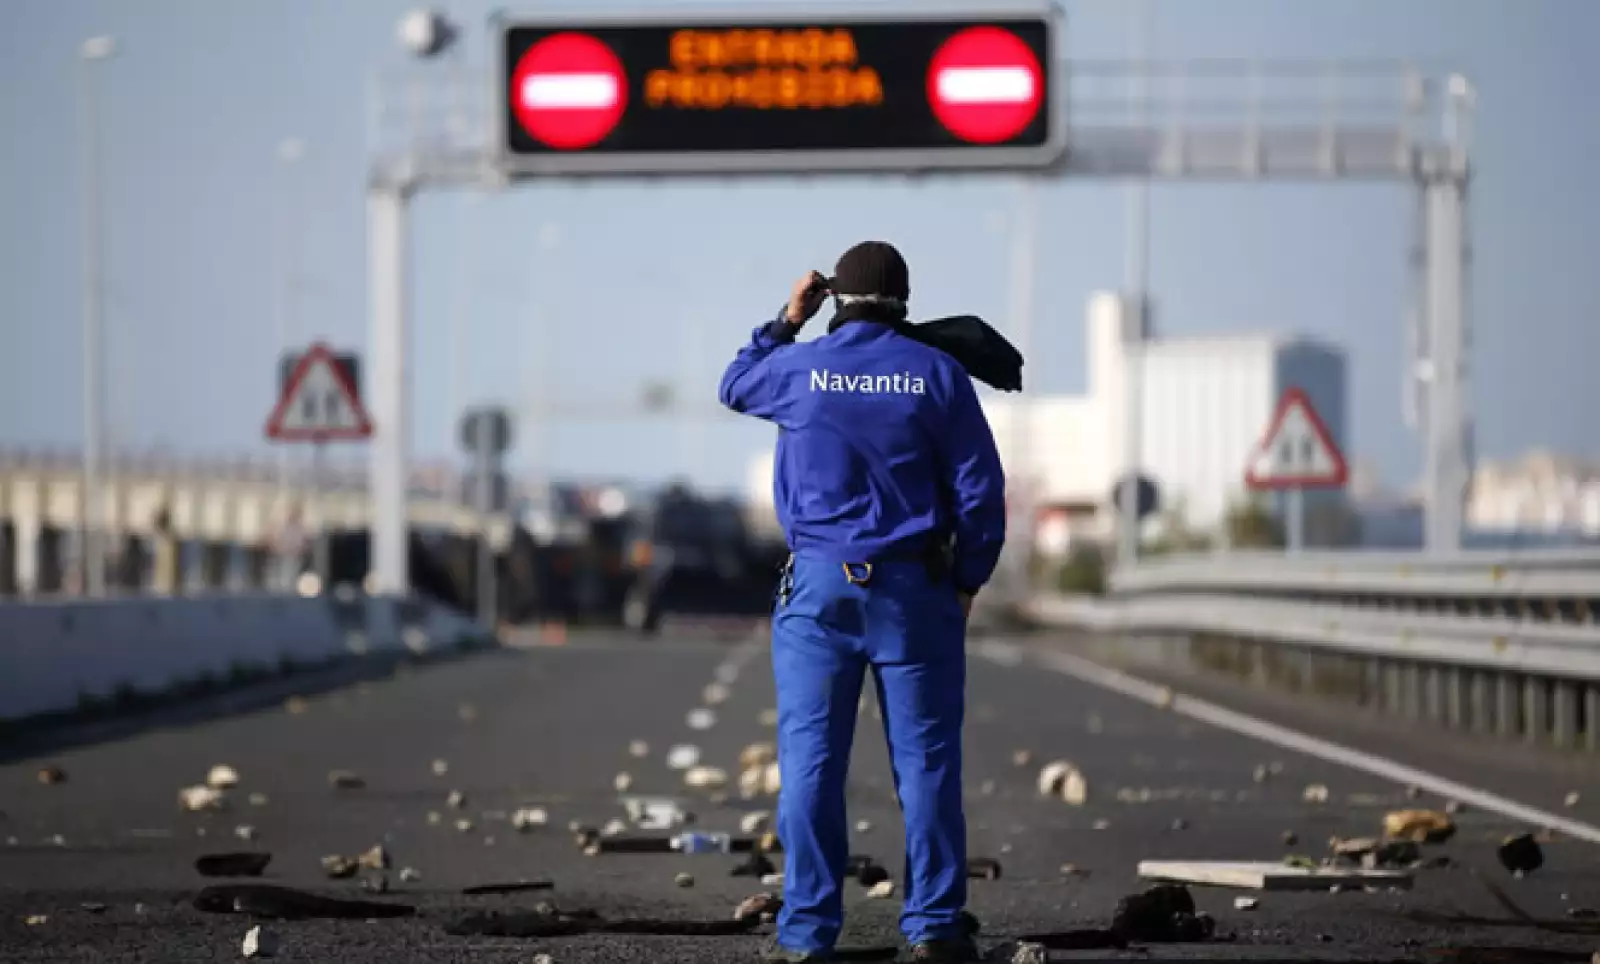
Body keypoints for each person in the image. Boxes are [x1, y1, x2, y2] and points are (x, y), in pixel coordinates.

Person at [718, 241, 1007, 963]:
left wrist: (786, 321)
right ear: (904, 302)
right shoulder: (938, 374)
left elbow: (733, 383)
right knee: (927, 764)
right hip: (913, 590)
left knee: (811, 762)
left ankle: (807, 933)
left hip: (818, 589)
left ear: (836, 299)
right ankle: (935, 927)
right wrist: (968, 579)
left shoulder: (796, 371)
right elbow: (980, 491)